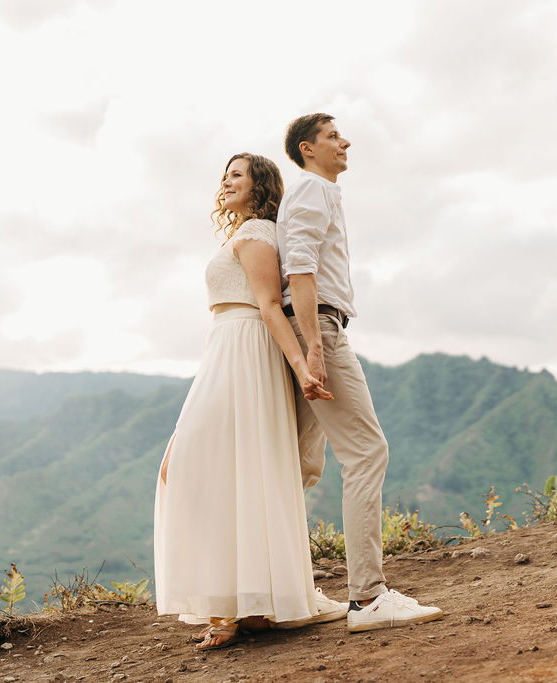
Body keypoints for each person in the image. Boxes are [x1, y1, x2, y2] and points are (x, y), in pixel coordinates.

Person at [154, 152, 346, 650]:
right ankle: (251, 605)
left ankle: (233, 610)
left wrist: (303, 366)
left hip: (246, 349)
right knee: (215, 467)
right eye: (224, 173)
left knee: (205, 464)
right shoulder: (243, 234)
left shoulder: (259, 232)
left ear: (259, 183)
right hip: (223, 346)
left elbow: (267, 306)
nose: (226, 179)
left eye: (236, 173)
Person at [277, 113, 443, 631]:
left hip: (308, 327)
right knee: (367, 452)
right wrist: (314, 347)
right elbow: (299, 267)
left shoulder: (316, 192)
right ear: (308, 149)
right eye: (333, 136)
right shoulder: (313, 190)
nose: (345, 142)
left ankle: (277, 595)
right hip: (317, 328)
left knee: (298, 467)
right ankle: (368, 598)